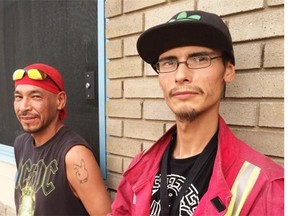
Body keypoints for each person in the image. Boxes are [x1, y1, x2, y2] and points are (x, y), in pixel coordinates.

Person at [110, 10, 284, 215]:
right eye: (168, 62)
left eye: (200, 58)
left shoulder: (265, 186)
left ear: (228, 70)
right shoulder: (140, 166)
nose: (181, 75)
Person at [13, 63, 111, 215]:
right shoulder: (21, 144)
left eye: (36, 97)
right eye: (18, 97)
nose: (24, 106)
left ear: (60, 101)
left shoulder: (75, 155)